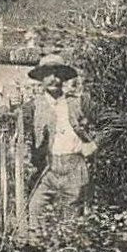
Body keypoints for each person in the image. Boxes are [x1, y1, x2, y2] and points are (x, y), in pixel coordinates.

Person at [25, 53, 98, 232]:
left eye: (58, 74)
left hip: (74, 166)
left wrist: (94, 144)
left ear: (64, 78)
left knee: (71, 222)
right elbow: (26, 138)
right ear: (41, 78)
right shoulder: (33, 106)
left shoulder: (77, 102)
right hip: (47, 169)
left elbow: (113, 122)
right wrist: (27, 160)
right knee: (35, 210)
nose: (53, 79)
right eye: (48, 74)